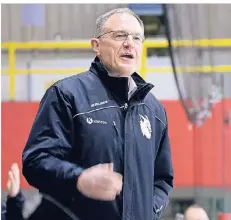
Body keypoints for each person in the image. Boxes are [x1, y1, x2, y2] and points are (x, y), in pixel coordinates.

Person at [22, 8, 174, 220]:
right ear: (96, 45)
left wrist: (148, 211)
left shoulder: (154, 110)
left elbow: (162, 179)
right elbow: (36, 161)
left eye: (137, 38)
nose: (129, 43)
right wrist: (78, 179)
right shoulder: (67, 95)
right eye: (120, 35)